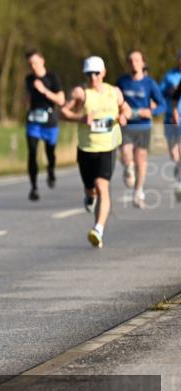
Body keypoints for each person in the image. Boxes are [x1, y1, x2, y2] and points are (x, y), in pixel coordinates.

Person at [61, 56, 131, 248]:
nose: (93, 77)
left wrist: (124, 116)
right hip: (86, 148)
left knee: (103, 186)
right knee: (91, 189)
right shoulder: (80, 93)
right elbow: (62, 112)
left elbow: (126, 109)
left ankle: (98, 229)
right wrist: (80, 118)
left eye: (96, 73)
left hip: (107, 148)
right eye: (89, 73)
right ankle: (89, 196)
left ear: (104, 73)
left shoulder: (113, 92)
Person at [115, 50, 166, 208]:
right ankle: (128, 168)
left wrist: (150, 112)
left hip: (143, 126)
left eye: (137, 60)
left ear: (143, 63)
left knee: (141, 161)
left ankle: (138, 192)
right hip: (127, 125)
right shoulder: (122, 82)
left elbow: (162, 105)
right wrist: (120, 114)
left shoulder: (149, 83)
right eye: (131, 60)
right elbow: (114, 100)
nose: (134, 63)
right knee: (125, 153)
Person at [23, 50, 66, 201]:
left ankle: (51, 171)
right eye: (30, 64)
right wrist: (26, 101)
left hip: (49, 121)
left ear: (42, 61)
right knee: (32, 153)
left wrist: (44, 90)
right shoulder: (28, 79)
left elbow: (61, 100)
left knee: (50, 153)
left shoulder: (52, 77)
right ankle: (34, 188)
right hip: (33, 120)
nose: (33, 66)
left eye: (35, 62)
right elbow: (27, 99)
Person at [159, 49, 181, 200]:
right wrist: (168, 90)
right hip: (170, 118)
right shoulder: (170, 75)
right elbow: (160, 92)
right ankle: (178, 168)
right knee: (174, 154)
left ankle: (180, 182)